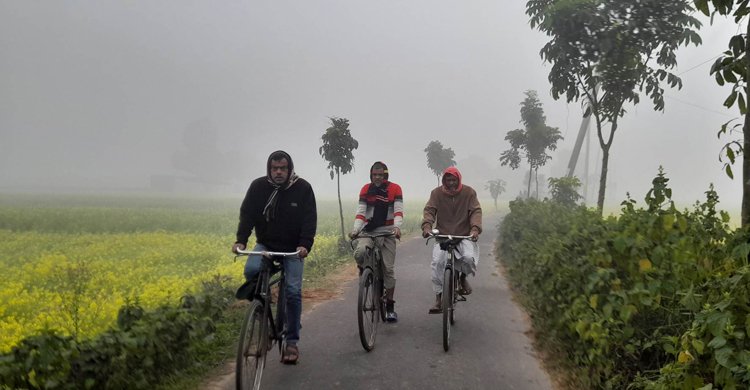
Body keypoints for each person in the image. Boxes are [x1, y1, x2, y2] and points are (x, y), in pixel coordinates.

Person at [232, 150, 317, 365]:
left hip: (293, 248)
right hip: (266, 244)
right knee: (251, 271)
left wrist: (305, 245)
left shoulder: (303, 189)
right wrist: (241, 240)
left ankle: (291, 342)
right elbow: (247, 215)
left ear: (289, 170)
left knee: (292, 291)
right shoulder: (258, 187)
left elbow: (309, 219)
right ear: (269, 169)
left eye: (283, 168)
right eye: (274, 168)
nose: (278, 172)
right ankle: (263, 319)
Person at [421, 166, 482, 314]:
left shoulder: (469, 192)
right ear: (444, 180)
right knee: (437, 264)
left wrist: (475, 229)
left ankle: (462, 278)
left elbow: (475, 211)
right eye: (448, 179)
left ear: (459, 179)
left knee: (468, 258)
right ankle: (439, 298)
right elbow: (429, 210)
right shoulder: (436, 194)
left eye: (454, 179)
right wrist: (427, 226)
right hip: (443, 237)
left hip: (463, 235)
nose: (451, 182)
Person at [348, 161, 404, 322]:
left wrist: (397, 227)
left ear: (385, 175)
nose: (377, 177)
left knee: (388, 269)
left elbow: (398, 211)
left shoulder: (395, 189)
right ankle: (365, 270)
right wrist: (356, 230)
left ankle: (390, 306)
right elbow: (361, 212)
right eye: (375, 175)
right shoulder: (366, 189)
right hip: (368, 230)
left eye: (380, 175)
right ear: (371, 175)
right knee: (359, 253)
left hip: (387, 232)